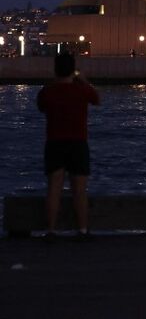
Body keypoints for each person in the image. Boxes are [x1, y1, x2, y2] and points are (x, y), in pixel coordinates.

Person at [37, 51, 100, 239]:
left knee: (54, 188)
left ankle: (51, 230)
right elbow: (97, 99)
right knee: (80, 190)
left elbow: (41, 107)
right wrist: (83, 79)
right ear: (73, 70)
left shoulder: (48, 91)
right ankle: (82, 229)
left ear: (55, 70)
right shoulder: (82, 90)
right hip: (78, 142)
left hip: (54, 142)